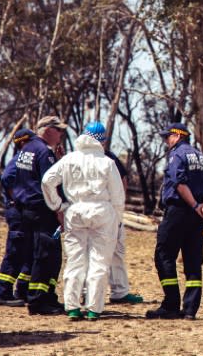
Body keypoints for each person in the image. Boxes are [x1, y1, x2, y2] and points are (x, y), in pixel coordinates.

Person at [41, 121, 125, 321]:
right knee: (99, 261)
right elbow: (118, 196)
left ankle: (72, 307)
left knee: (75, 260)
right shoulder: (107, 162)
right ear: (102, 141)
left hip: (75, 210)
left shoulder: (69, 159)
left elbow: (47, 181)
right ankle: (94, 308)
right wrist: (118, 220)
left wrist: (58, 206)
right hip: (102, 212)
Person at [146, 122, 203, 320]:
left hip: (179, 211)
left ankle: (171, 305)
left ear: (177, 136)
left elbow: (179, 184)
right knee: (193, 259)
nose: (165, 141)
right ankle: (190, 309)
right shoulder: (201, 157)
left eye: (167, 137)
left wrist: (194, 205)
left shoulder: (177, 155)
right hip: (196, 216)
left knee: (163, 255)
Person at [82, 121, 144, 305]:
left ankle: (114, 291)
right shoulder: (96, 159)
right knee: (95, 252)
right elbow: (121, 184)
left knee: (104, 251)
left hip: (91, 212)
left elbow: (122, 181)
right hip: (101, 212)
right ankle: (92, 292)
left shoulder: (83, 158)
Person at [14, 115, 68, 315]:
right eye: (58, 130)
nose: (61, 134)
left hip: (27, 210)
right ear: (46, 129)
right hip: (43, 211)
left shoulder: (27, 149)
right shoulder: (44, 152)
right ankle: (39, 301)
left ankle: (43, 297)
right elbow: (49, 185)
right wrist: (59, 211)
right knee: (47, 256)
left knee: (35, 254)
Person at [0, 128, 34, 306]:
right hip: (16, 210)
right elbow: (6, 178)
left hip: (24, 211)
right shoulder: (18, 159)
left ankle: (22, 290)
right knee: (15, 252)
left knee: (28, 252)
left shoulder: (27, 160)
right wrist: (16, 198)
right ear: (23, 143)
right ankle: (3, 293)